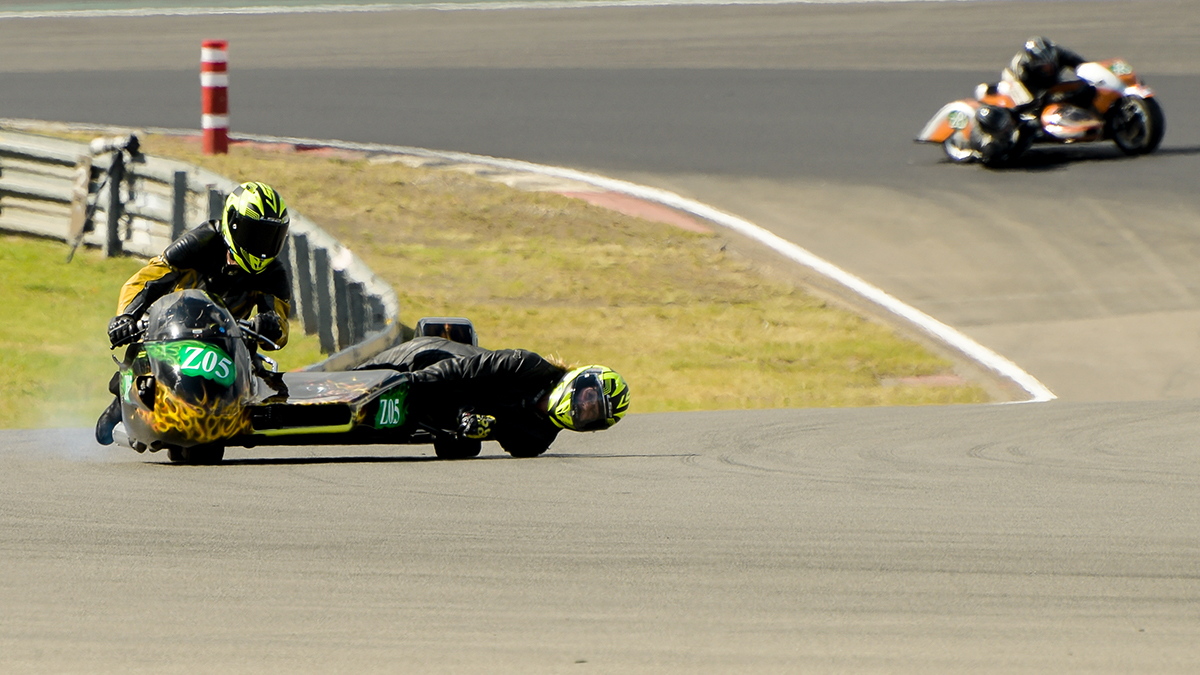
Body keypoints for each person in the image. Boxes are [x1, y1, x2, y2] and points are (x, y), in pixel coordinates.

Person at [94, 181, 293, 445]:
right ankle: (125, 398)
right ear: (233, 224)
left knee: (262, 373)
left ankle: (232, 413)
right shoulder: (202, 242)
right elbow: (146, 279)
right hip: (175, 330)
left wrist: (269, 325)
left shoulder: (273, 272)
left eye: (271, 238)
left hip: (230, 341)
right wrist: (127, 316)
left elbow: (280, 323)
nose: (263, 247)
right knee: (134, 367)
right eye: (255, 236)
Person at [354, 336, 630, 457]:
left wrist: (475, 426)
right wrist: (406, 380)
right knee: (352, 382)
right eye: (589, 396)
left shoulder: (536, 440)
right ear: (579, 380)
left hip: (434, 412)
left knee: (460, 446)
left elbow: (500, 431)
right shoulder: (527, 365)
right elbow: (461, 369)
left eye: (592, 413)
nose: (583, 407)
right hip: (426, 360)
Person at [1005, 36, 1092, 110]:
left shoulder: (1059, 54)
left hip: (1052, 85)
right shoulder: (1023, 70)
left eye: (1051, 63)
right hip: (1025, 92)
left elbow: (1085, 66)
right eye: (1044, 65)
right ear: (1034, 64)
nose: (1049, 68)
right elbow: (1036, 98)